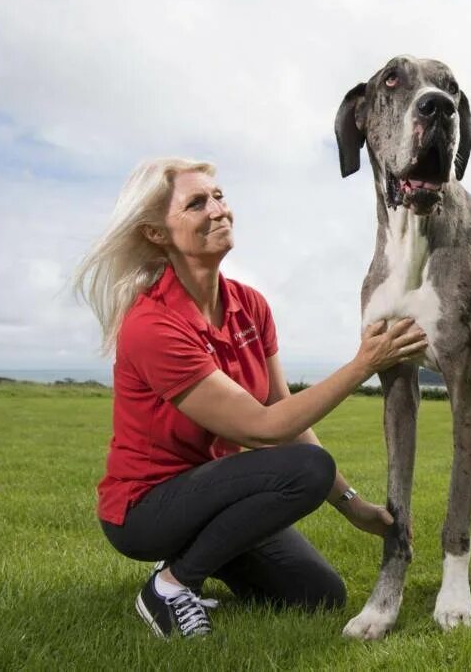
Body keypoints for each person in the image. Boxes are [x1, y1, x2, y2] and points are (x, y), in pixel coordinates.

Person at [73, 157, 427, 638]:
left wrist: (353, 505)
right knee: (307, 470)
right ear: (156, 234)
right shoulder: (153, 326)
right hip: (146, 509)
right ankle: (172, 586)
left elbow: (287, 413)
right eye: (196, 203)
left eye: (218, 196)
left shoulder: (250, 306)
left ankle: (190, 558)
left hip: (218, 496)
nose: (218, 210)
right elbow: (265, 429)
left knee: (317, 595)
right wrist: (363, 364)